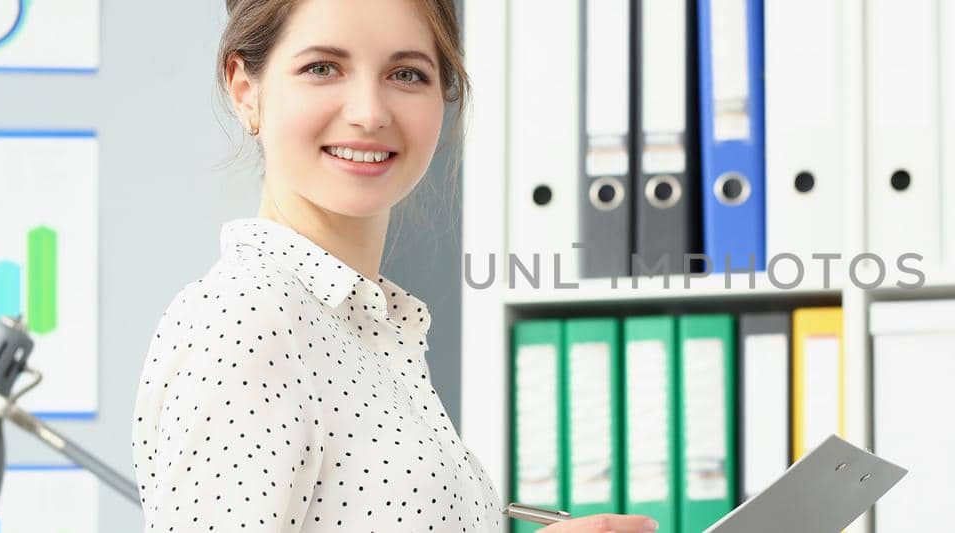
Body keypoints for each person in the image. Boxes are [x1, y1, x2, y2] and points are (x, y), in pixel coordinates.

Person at [130, 1, 657, 531]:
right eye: (322, 68)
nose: (369, 112)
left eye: (406, 74)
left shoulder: (368, 331)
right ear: (246, 90)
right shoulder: (246, 319)